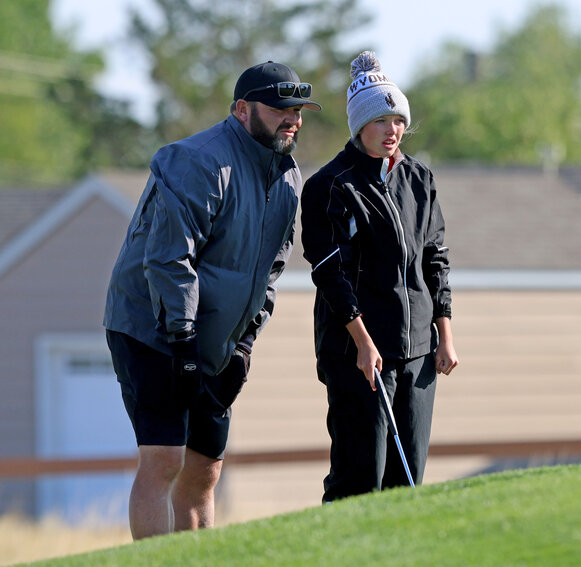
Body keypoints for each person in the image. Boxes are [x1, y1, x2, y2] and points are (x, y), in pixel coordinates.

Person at [103, 61, 321, 539]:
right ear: (242, 110)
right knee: (164, 461)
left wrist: (243, 344)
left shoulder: (288, 177)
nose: (293, 119)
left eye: (298, 110)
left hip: (215, 340)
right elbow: (167, 259)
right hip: (152, 326)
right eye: (280, 109)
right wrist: (182, 341)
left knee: (205, 470)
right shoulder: (198, 160)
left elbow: (271, 269)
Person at [301, 51, 459, 503]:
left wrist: (443, 334)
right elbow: (329, 273)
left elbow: (436, 258)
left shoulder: (419, 179)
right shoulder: (329, 186)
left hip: (417, 352)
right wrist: (364, 342)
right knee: (359, 480)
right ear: (359, 126)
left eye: (398, 119)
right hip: (357, 353)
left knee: (407, 484)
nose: (393, 129)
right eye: (381, 119)